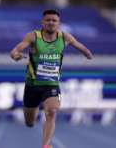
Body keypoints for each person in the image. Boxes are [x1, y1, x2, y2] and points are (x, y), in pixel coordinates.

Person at [10, 9, 93, 148]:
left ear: (59, 23)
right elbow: (14, 51)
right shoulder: (33, 36)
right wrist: (16, 56)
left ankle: (46, 145)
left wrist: (87, 54)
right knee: (29, 122)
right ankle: (33, 114)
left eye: (54, 20)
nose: (51, 23)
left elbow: (80, 46)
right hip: (32, 85)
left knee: (52, 111)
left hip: (51, 84)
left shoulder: (64, 37)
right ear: (43, 22)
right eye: (48, 20)